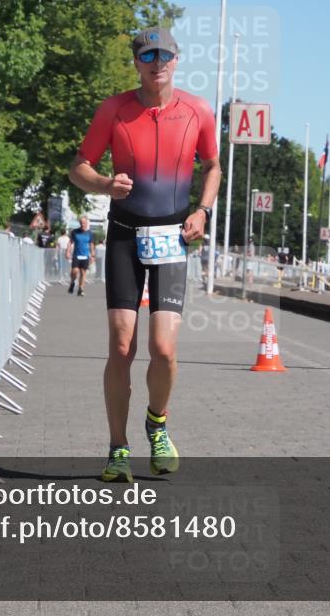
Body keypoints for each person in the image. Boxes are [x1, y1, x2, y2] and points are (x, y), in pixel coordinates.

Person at [69, 26, 221, 483]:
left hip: (174, 238)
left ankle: (157, 423)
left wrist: (203, 211)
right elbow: (78, 166)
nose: (158, 63)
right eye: (148, 55)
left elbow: (212, 165)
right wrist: (103, 184)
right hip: (123, 234)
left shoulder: (198, 110)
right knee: (121, 347)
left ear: (177, 61)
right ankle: (117, 447)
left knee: (164, 348)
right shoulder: (114, 110)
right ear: (136, 62)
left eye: (166, 55)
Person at [65, 216, 95, 296]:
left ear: (87, 223)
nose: (82, 224)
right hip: (76, 255)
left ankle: (81, 289)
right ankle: (72, 283)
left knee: (83, 272)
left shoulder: (90, 233)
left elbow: (91, 244)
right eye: (81, 223)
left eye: (84, 223)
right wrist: (68, 252)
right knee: (74, 271)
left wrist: (92, 255)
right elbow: (70, 242)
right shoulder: (74, 232)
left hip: (85, 256)